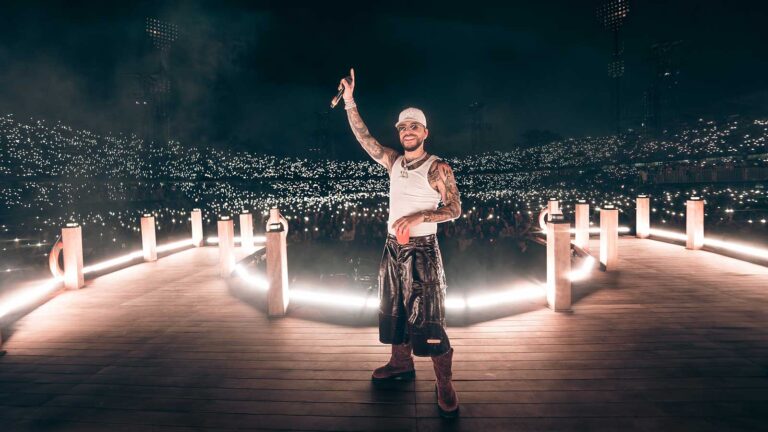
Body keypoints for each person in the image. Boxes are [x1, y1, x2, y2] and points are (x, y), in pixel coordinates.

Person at [338, 68, 462, 418]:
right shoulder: (393, 161)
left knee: (430, 318)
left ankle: (444, 383)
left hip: (423, 250)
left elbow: (454, 208)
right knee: (394, 308)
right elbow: (364, 139)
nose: (407, 131)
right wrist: (350, 101)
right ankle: (400, 363)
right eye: (403, 127)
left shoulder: (438, 168)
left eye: (414, 127)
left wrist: (419, 216)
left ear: (425, 132)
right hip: (393, 246)